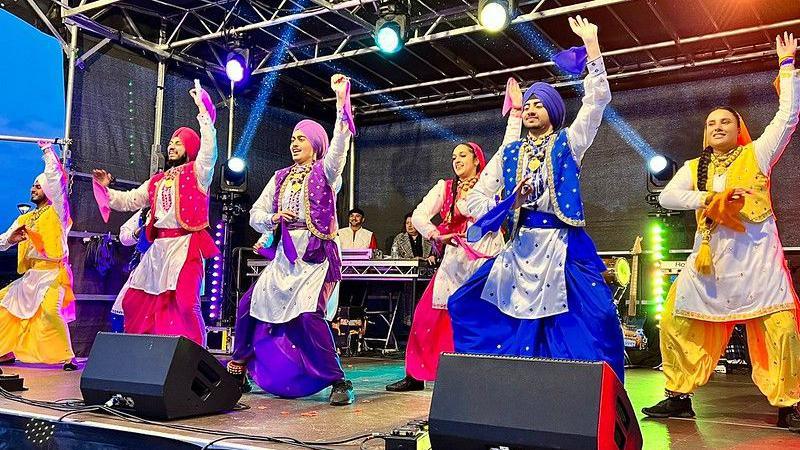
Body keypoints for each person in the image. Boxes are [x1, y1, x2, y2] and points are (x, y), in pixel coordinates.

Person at [447, 15, 625, 382]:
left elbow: (597, 101)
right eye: (526, 105)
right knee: (465, 301)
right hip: (521, 245)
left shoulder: (569, 143)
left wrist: (592, 49)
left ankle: (586, 393)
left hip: (563, 244)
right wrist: (509, 204)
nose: (529, 109)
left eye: (538, 105)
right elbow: (475, 200)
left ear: (553, 113)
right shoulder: (509, 152)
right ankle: (508, 388)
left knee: (598, 316)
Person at [642, 33, 800, 430]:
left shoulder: (757, 154)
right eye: (711, 122)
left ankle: (791, 403)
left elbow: (788, 117)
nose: (716, 126)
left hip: (758, 265)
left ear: (738, 128)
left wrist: (786, 66)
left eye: (725, 121)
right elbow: (668, 199)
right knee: (675, 320)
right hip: (709, 267)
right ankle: (678, 397)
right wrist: (709, 200)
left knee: (781, 331)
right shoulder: (694, 168)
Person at [227, 74, 356, 406]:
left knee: (309, 316)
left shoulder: (326, 173)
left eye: (301, 138)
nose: (294, 143)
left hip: (316, 256)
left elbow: (340, 144)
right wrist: (272, 219)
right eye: (292, 139)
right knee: (247, 306)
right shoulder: (279, 177)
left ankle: (338, 379)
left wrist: (342, 102)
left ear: (315, 143)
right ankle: (238, 365)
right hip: (285, 257)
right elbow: (256, 213)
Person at [92, 80, 218, 346]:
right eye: (170, 142)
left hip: (185, 245)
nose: (172, 146)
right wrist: (106, 190)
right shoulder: (157, 180)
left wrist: (202, 111)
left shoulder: (198, 172)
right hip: (157, 249)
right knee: (136, 300)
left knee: (185, 303)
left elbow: (210, 148)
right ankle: (145, 353)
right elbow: (128, 201)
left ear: (190, 148)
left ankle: (197, 355)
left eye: (178, 143)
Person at [386, 142, 505, 391]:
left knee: (481, 317)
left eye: (463, 155)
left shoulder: (491, 185)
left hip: (486, 259)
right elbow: (418, 216)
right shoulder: (445, 188)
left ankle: (480, 376)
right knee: (425, 316)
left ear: (477, 160)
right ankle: (416, 375)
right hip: (454, 260)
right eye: (453, 157)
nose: (457, 160)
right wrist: (436, 235)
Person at [0, 141, 77, 370]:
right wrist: (10, 240)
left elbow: (56, 181)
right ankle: (5, 351)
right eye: (33, 186)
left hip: (53, 274)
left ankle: (67, 357)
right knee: (3, 306)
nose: (33, 189)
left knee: (51, 313)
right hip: (31, 276)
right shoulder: (25, 218)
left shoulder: (58, 212)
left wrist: (47, 152)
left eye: (38, 186)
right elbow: (3, 240)